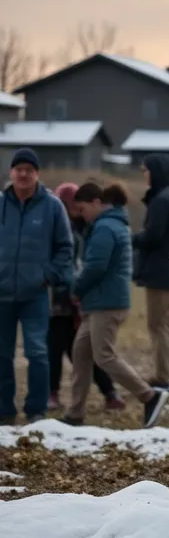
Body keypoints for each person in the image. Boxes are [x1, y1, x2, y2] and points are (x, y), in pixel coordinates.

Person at [63, 182, 169, 429]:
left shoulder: (104, 227)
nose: (82, 215)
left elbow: (95, 266)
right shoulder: (113, 224)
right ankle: (75, 413)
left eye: (83, 209)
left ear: (96, 203)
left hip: (106, 303)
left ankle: (149, 396)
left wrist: (76, 289)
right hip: (100, 302)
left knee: (104, 356)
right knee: (81, 354)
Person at [0, 148, 75, 424]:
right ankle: (4, 411)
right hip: (2, 295)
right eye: (18, 169)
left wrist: (47, 275)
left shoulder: (52, 206)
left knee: (38, 352)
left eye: (28, 170)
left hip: (35, 295)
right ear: (11, 173)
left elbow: (65, 248)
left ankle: (36, 410)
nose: (23, 174)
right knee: (2, 355)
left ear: (37, 174)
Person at [47, 182, 121, 413]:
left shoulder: (89, 229)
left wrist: (75, 290)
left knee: (85, 350)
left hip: (76, 297)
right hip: (61, 298)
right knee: (61, 348)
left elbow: (87, 265)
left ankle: (110, 393)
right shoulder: (64, 227)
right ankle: (59, 395)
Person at [133, 154, 169, 388]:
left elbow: (152, 236)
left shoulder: (161, 200)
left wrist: (132, 238)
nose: (144, 175)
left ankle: (162, 376)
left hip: (159, 272)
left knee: (157, 325)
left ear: (156, 172)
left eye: (146, 170)